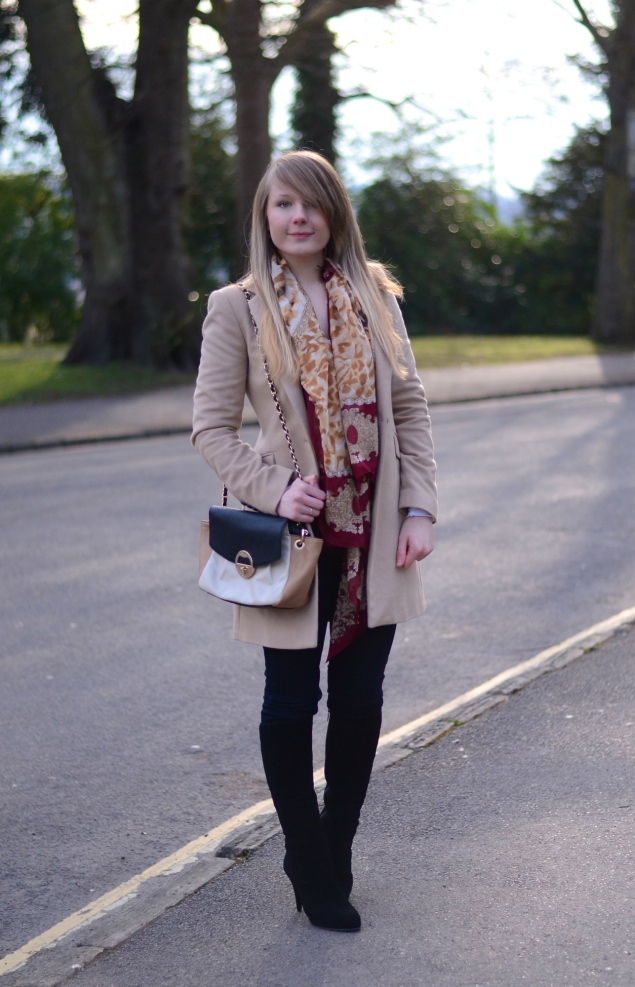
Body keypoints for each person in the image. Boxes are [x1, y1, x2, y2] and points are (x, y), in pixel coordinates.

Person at [192, 150, 437, 933]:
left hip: (374, 530)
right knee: (290, 702)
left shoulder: (377, 299)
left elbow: (411, 409)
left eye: (311, 205)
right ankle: (306, 854)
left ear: (333, 214)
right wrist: (273, 486)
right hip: (290, 536)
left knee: (361, 702)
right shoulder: (236, 307)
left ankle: (335, 846)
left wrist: (420, 508)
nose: (296, 218)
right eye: (281, 206)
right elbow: (211, 427)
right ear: (264, 217)